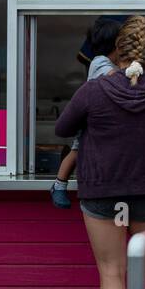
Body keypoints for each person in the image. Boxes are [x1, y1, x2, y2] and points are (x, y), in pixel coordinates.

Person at [54, 15, 145, 289]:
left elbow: (62, 129)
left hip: (102, 192)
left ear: (118, 50)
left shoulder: (93, 90)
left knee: (112, 274)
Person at [50, 16, 121, 209]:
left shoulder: (109, 63)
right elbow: (112, 77)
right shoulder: (100, 62)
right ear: (116, 44)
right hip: (89, 122)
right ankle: (59, 184)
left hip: (100, 123)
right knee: (76, 151)